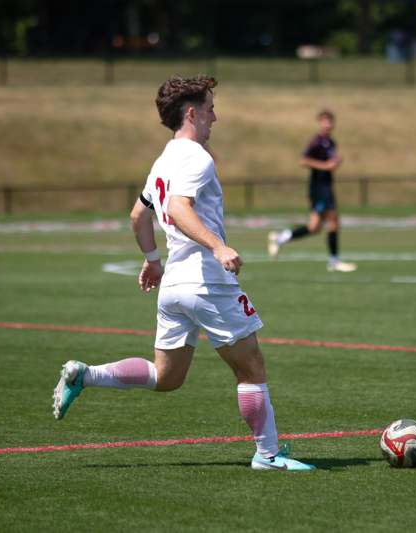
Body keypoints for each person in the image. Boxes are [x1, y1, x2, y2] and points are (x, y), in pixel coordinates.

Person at [52, 75, 315, 472]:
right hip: (205, 280)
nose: (216, 117)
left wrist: (153, 259)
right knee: (251, 366)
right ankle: (269, 454)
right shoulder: (196, 157)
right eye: (210, 108)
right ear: (191, 113)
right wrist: (218, 245)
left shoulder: (163, 160)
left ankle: (85, 376)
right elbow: (177, 208)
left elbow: (139, 214)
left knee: (167, 376)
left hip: (174, 284)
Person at [267, 110, 357, 272]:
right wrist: (326, 166)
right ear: (319, 123)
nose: (328, 124)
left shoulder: (331, 142)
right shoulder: (316, 141)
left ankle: (280, 238)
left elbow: (330, 163)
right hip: (319, 188)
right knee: (333, 221)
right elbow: (303, 160)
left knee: (314, 227)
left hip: (326, 186)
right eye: (325, 121)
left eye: (330, 121)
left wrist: (335, 163)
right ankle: (334, 261)